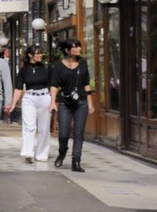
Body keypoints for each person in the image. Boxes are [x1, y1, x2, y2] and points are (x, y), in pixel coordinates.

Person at [52, 38, 95, 171]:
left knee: (78, 133)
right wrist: (53, 102)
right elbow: (54, 84)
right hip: (65, 103)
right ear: (67, 50)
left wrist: (90, 103)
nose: (79, 49)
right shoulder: (58, 65)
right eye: (76, 47)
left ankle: (76, 162)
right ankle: (62, 152)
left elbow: (86, 83)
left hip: (81, 102)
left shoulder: (83, 63)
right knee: (63, 133)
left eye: (79, 47)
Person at [8, 43, 55, 164]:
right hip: (29, 98)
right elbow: (18, 88)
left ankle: (41, 154)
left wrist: (54, 101)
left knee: (44, 128)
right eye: (38, 53)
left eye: (41, 53)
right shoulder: (24, 70)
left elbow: (53, 86)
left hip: (44, 97)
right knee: (29, 126)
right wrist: (13, 104)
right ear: (30, 55)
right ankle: (28, 152)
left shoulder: (47, 68)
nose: (40, 55)